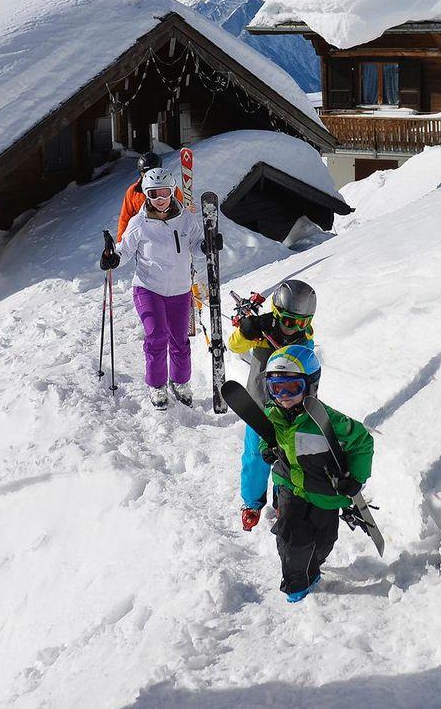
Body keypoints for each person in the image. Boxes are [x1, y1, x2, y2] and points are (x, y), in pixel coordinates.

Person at [256, 345, 373, 603]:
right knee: (292, 539)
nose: (283, 396)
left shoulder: (328, 421)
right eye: (276, 388)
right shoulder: (273, 414)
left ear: (310, 386)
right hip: (289, 484)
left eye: (291, 388)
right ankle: (296, 583)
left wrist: (356, 478)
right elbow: (266, 435)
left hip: (323, 491)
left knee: (325, 540)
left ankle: (313, 566)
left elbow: (362, 442)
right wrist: (267, 448)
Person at [100, 167, 213, 409]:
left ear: (172, 192)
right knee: (157, 336)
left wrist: (206, 247)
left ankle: (180, 382)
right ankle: (157, 385)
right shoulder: (139, 223)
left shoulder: (186, 219)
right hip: (148, 288)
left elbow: (195, 245)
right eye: (153, 194)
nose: (160, 199)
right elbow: (125, 250)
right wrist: (113, 258)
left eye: (164, 193)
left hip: (180, 290)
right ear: (146, 195)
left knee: (180, 340)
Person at [230, 280, 317, 531]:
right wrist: (246, 331)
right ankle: (252, 502)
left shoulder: (305, 337)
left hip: (290, 406)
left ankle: (284, 499)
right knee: (255, 456)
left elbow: (309, 361)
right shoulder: (261, 332)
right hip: (258, 405)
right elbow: (235, 346)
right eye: (288, 322)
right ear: (277, 313)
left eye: (302, 323)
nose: (294, 328)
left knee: (287, 456)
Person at [117, 151, 183, 242]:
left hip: (167, 234)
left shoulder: (170, 188)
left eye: (151, 172)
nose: (148, 176)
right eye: (144, 173)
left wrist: (187, 210)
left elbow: (181, 209)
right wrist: (120, 243)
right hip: (144, 238)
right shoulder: (133, 191)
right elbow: (124, 219)